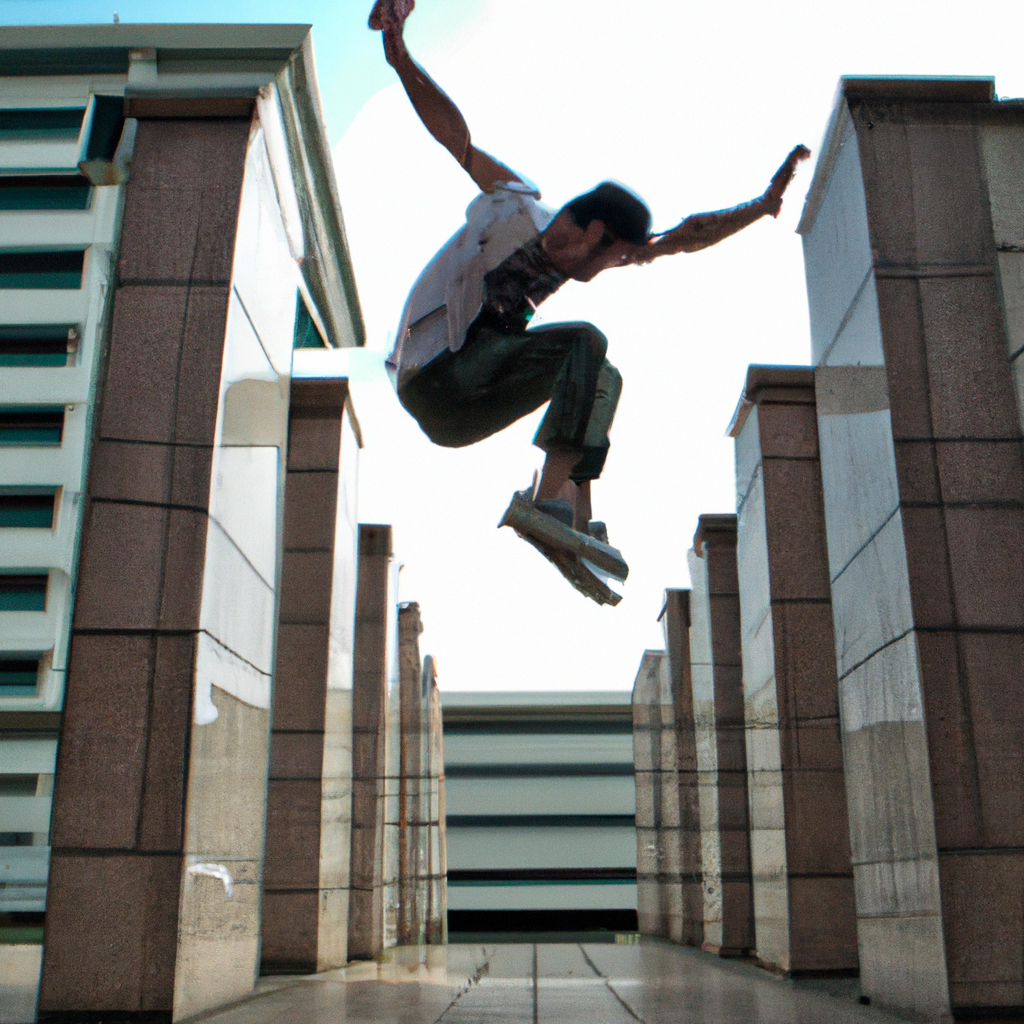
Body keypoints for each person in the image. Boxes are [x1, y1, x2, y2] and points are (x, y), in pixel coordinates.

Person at [373, 0, 809, 553]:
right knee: (584, 341)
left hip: (465, 413)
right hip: (436, 376)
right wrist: (399, 56)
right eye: (613, 257)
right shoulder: (516, 205)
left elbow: (684, 237)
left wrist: (759, 207)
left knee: (605, 375)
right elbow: (456, 140)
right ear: (593, 230)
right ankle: (546, 503)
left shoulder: (603, 244)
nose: (609, 270)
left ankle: (574, 517)